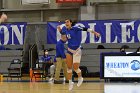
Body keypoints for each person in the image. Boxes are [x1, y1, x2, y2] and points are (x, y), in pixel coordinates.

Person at [57, 19, 100, 90]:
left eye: (67, 22)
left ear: (71, 23)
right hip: (70, 50)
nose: (66, 23)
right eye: (65, 22)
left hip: (77, 50)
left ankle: (80, 78)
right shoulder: (65, 30)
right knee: (69, 68)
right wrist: (59, 29)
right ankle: (71, 82)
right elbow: (62, 32)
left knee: (76, 67)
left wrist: (95, 33)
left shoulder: (76, 28)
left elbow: (86, 29)